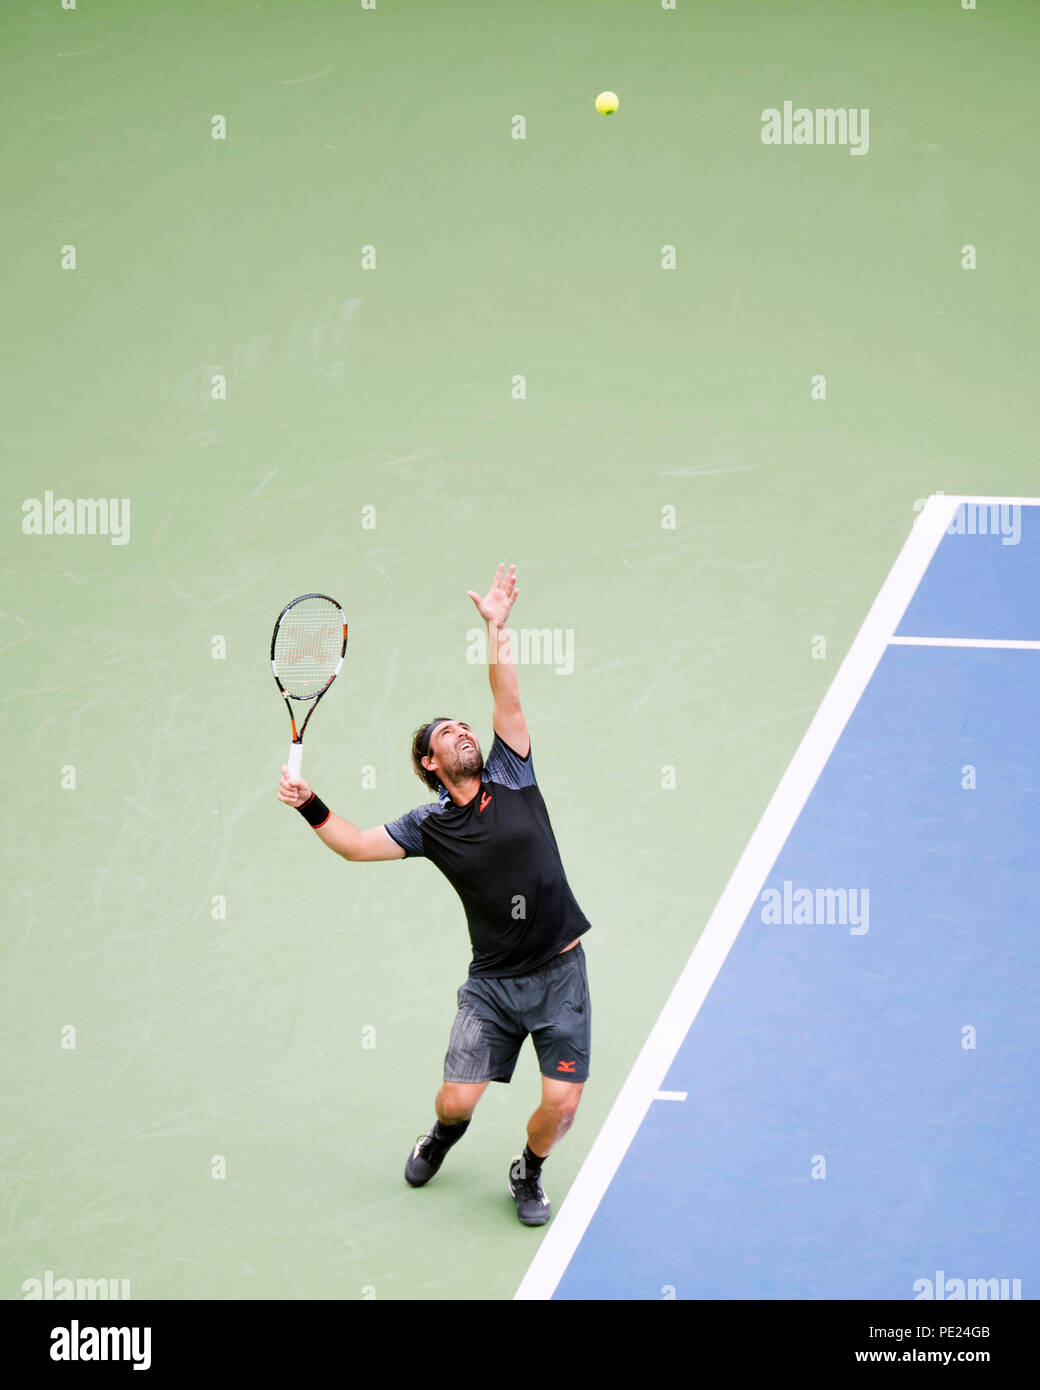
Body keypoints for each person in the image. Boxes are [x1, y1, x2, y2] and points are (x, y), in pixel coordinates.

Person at [277, 565, 591, 1226]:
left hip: (561, 973)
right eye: (447, 734)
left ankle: (528, 1171)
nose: (464, 733)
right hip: (494, 986)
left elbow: (505, 694)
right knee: (456, 1102)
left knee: (562, 1105)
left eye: (464, 727)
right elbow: (357, 843)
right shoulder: (429, 827)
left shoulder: (513, 770)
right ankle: (443, 1138)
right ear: (429, 763)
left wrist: (496, 628)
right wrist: (311, 805)